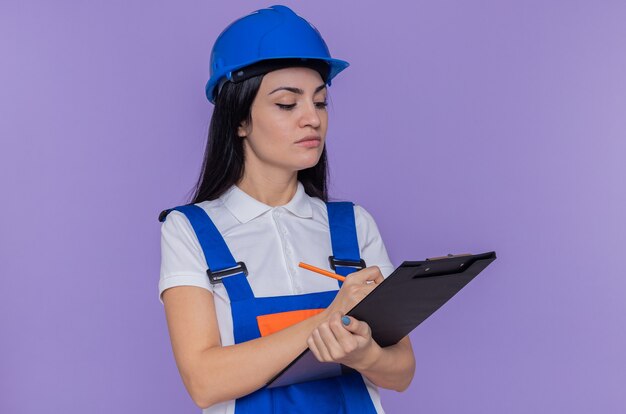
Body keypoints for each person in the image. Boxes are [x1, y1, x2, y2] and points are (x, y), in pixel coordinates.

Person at [158, 5, 415, 413]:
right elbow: (204, 381)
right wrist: (327, 322)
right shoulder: (190, 230)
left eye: (321, 102)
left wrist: (365, 354)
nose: (312, 119)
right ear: (239, 120)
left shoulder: (353, 224)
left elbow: (401, 371)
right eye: (286, 104)